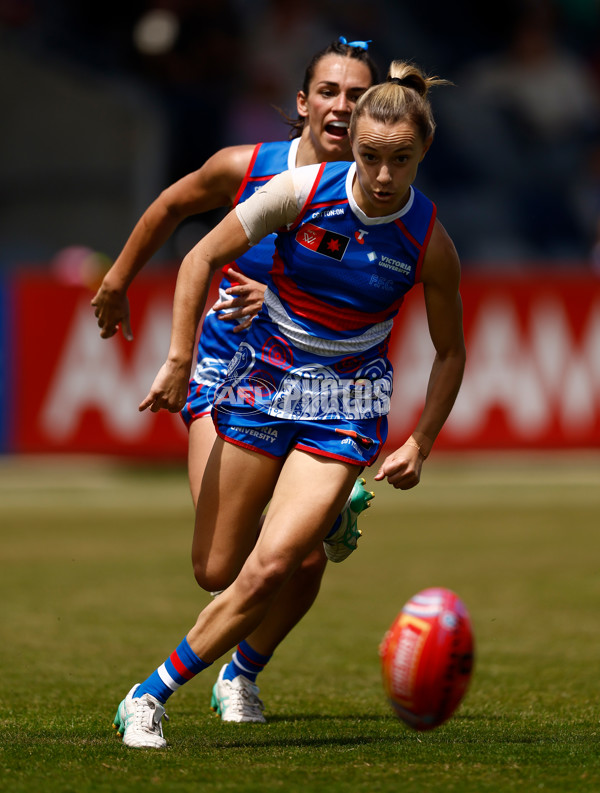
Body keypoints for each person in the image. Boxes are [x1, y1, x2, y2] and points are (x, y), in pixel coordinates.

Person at [111, 58, 466, 749]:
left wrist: (420, 441)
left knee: (274, 565)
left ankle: (148, 696)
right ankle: (330, 515)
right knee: (216, 570)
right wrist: (179, 358)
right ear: (352, 142)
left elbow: (450, 352)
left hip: (346, 403)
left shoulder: (430, 241)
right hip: (263, 382)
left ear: (424, 150)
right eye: (370, 157)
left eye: (400, 159)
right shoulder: (298, 191)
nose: (383, 175)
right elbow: (200, 257)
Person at [93, 38, 379, 724]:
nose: (342, 105)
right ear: (304, 103)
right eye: (330, 91)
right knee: (217, 569)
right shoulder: (246, 168)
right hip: (230, 378)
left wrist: (280, 304)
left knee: (298, 562)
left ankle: (241, 673)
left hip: (315, 392)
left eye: (357, 96)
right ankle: (329, 514)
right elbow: (169, 208)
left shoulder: (378, 196)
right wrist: (118, 280)